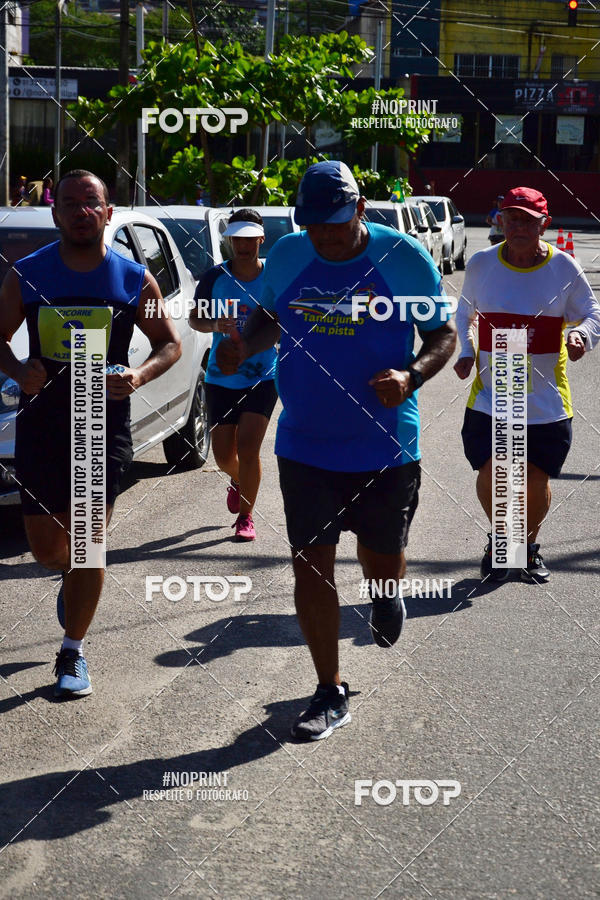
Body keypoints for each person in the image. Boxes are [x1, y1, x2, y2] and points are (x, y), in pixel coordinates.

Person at [217, 161, 456, 740]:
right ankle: (329, 689)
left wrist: (412, 374)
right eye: (315, 225)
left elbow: (443, 335)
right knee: (311, 566)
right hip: (304, 442)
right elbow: (271, 317)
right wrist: (244, 343)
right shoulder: (291, 254)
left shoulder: (403, 258)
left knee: (383, 557)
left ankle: (385, 594)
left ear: (361, 208)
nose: (325, 236)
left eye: (336, 223)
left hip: (385, 445)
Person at [0, 169, 182, 698]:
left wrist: (138, 375)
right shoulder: (27, 273)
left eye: (92, 203)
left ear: (108, 213)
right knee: (46, 547)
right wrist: (16, 372)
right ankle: (65, 575)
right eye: (72, 203)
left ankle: (72, 651)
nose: (82, 211)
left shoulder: (133, 278)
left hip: (100, 423)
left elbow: (169, 343)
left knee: (89, 544)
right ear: (56, 214)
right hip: (41, 425)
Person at [455, 186, 600, 583]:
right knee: (494, 469)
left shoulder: (564, 267)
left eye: (527, 220)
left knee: (534, 477)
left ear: (544, 225)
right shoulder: (482, 264)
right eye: (510, 218)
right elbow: (465, 314)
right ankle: (502, 542)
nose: (517, 226)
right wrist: (466, 351)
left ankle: (526, 547)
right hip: (492, 392)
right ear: (499, 220)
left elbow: (592, 313)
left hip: (545, 398)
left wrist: (582, 336)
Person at [189, 209, 278, 541]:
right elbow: (194, 319)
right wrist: (214, 325)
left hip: (263, 376)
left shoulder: (274, 275)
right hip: (220, 377)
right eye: (236, 238)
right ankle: (239, 480)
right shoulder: (215, 278)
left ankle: (246, 516)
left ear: (260, 238)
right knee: (225, 455)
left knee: (249, 448)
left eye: (249, 238)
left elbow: (285, 320)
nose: (243, 245)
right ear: (229, 240)